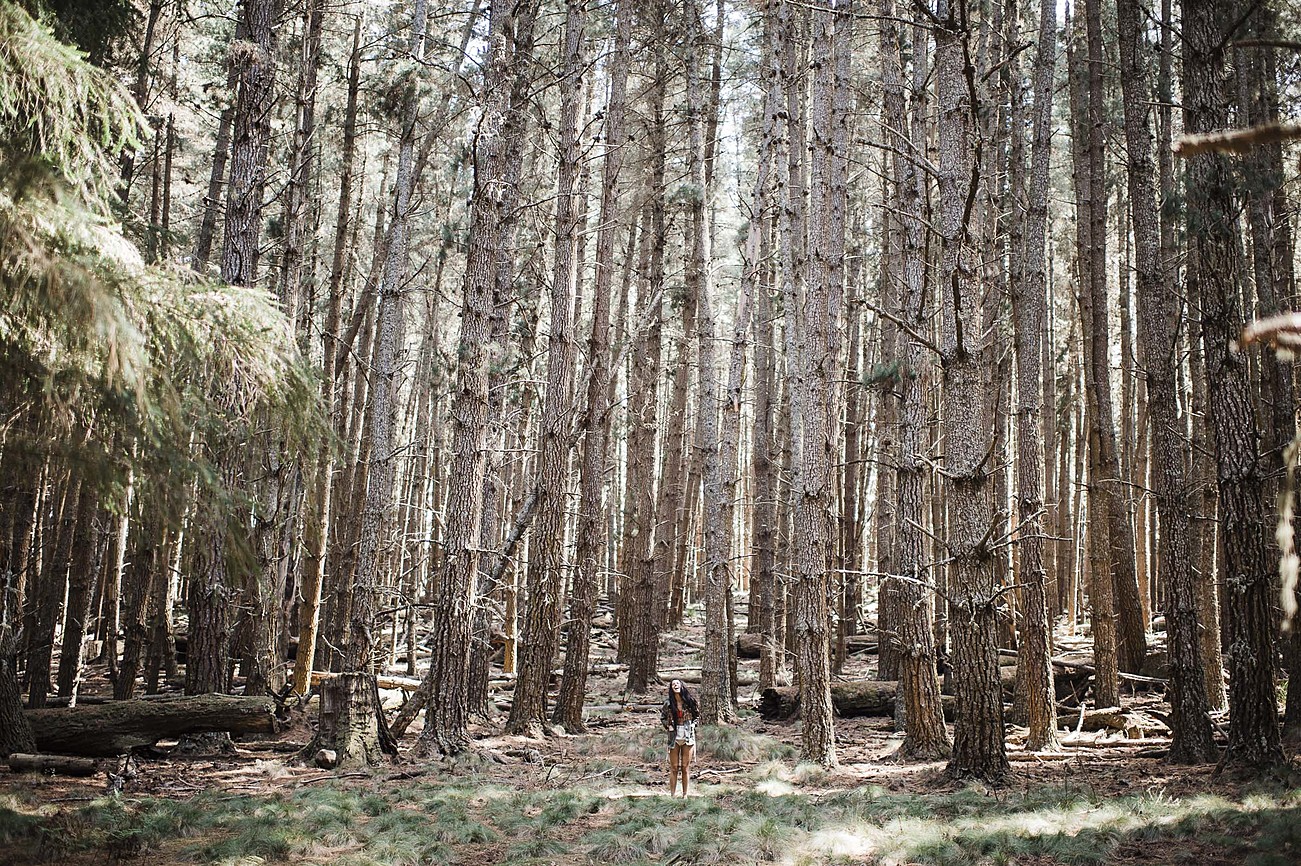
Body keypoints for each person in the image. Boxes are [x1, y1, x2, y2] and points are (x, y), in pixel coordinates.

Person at [660, 679, 699, 797]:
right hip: (674, 737)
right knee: (674, 767)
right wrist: (669, 725)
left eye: (677, 683)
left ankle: (685, 795)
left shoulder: (690, 701)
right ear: (671, 688)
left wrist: (693, 725)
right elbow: (663, 717)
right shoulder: (668, 703)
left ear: (682, 686)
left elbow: (697, 716)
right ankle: (672, 795)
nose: (675, 685)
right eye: (673, 684)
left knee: (685, 767)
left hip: (688, 736)